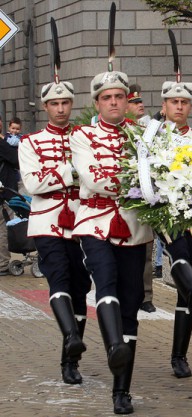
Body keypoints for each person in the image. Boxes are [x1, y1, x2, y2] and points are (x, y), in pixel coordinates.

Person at [70, 69, 154, 414]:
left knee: (132, 301)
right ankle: (113, 344)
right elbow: (93, 176)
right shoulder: (83, 136)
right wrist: (140, 181)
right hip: (95, 222)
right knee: (105, 280)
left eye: (120, 96)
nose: (115, 102)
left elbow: (161, 170)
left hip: (134, 225)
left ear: (127, 100)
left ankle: (122, 390)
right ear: (97, 103)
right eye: (107, 97)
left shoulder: (143, 135)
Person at [18, 77, 91, 384]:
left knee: (80, 288)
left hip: (83, 221)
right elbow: (33, 184)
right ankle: (71, 337)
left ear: (71, 104)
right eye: (54, 104)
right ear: (46, 106)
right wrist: (72, 171)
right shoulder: (30, 143)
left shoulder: (85, 138)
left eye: (65, 103)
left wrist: (57, 174)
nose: (60, 109)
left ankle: (70, 359)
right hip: (46, 221)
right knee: (58, 276)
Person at [158, 79, 192, 379]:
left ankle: (179, 355)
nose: (179, 107)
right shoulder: (151, 138)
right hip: (165, 215)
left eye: (184, 102)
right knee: (179, 258)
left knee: (191, 273)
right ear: (164, 105)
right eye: (174, 102)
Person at [127, 83, 156, 314]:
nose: (140, 105)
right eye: (135, 102)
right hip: (122, 198)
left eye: (140, 101)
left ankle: (146, 296)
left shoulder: (148, 128)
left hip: (143, 196)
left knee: (146, 249)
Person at [0, 119, 19, 275]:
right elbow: (15, 158)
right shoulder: (2, 144)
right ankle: (2, 264)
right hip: (3, 193)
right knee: (3, 228)